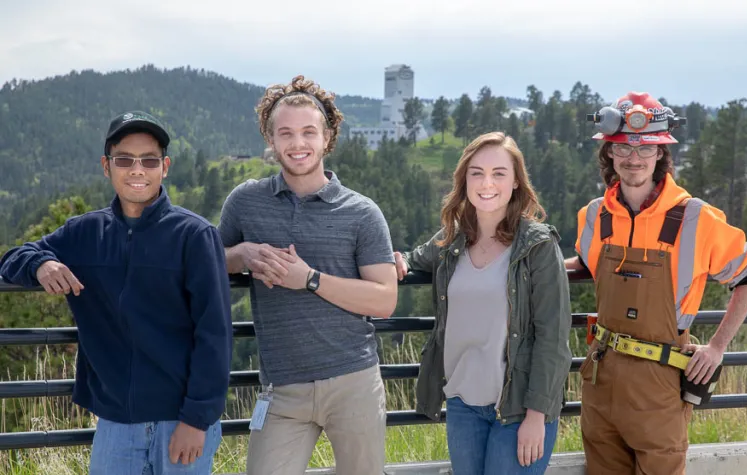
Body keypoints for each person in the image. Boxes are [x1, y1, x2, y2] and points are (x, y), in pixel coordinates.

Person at [0, 111, 233, 474]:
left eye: (149, 160)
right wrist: (41, 264)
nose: (137, 169)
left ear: (165, 167)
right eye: (124, 159)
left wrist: (197, 420)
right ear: (106, 166)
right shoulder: (85, 233)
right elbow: (15, 256)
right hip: (115, 423)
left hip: (181, 420)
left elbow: (214, 335)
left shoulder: (195, 236)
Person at [565, 92, 747, 474]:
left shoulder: (696, 217)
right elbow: (588, 265)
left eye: (645, 148)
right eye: (623, 147)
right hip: (600, 375)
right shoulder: (594, 215)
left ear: (661, 154)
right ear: (609, 152)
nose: (634, 158)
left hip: (660, 381)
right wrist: (537, 266)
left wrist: (717, 348)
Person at [218, 75, 398, 475]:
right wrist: (242, 253)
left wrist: (309, 279)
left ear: (328, 136)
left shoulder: (362, 212)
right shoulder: (245, 202)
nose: (297, 144)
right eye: (285, 133)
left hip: (354, 382)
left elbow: (384, 299)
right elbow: (209, 260)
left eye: (308, 132)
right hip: (282, 389)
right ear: (270, 137)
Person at [394, 132, 572, 474]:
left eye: (499, 173)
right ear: (465, 180)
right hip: (463, 405)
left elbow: (553, 337)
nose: (486, 182)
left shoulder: (538, 245)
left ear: (516, 181)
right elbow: (413, 259)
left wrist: (537, 415)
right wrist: (393, 262)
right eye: (476, 172)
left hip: (519, 407)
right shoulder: (453, 238)